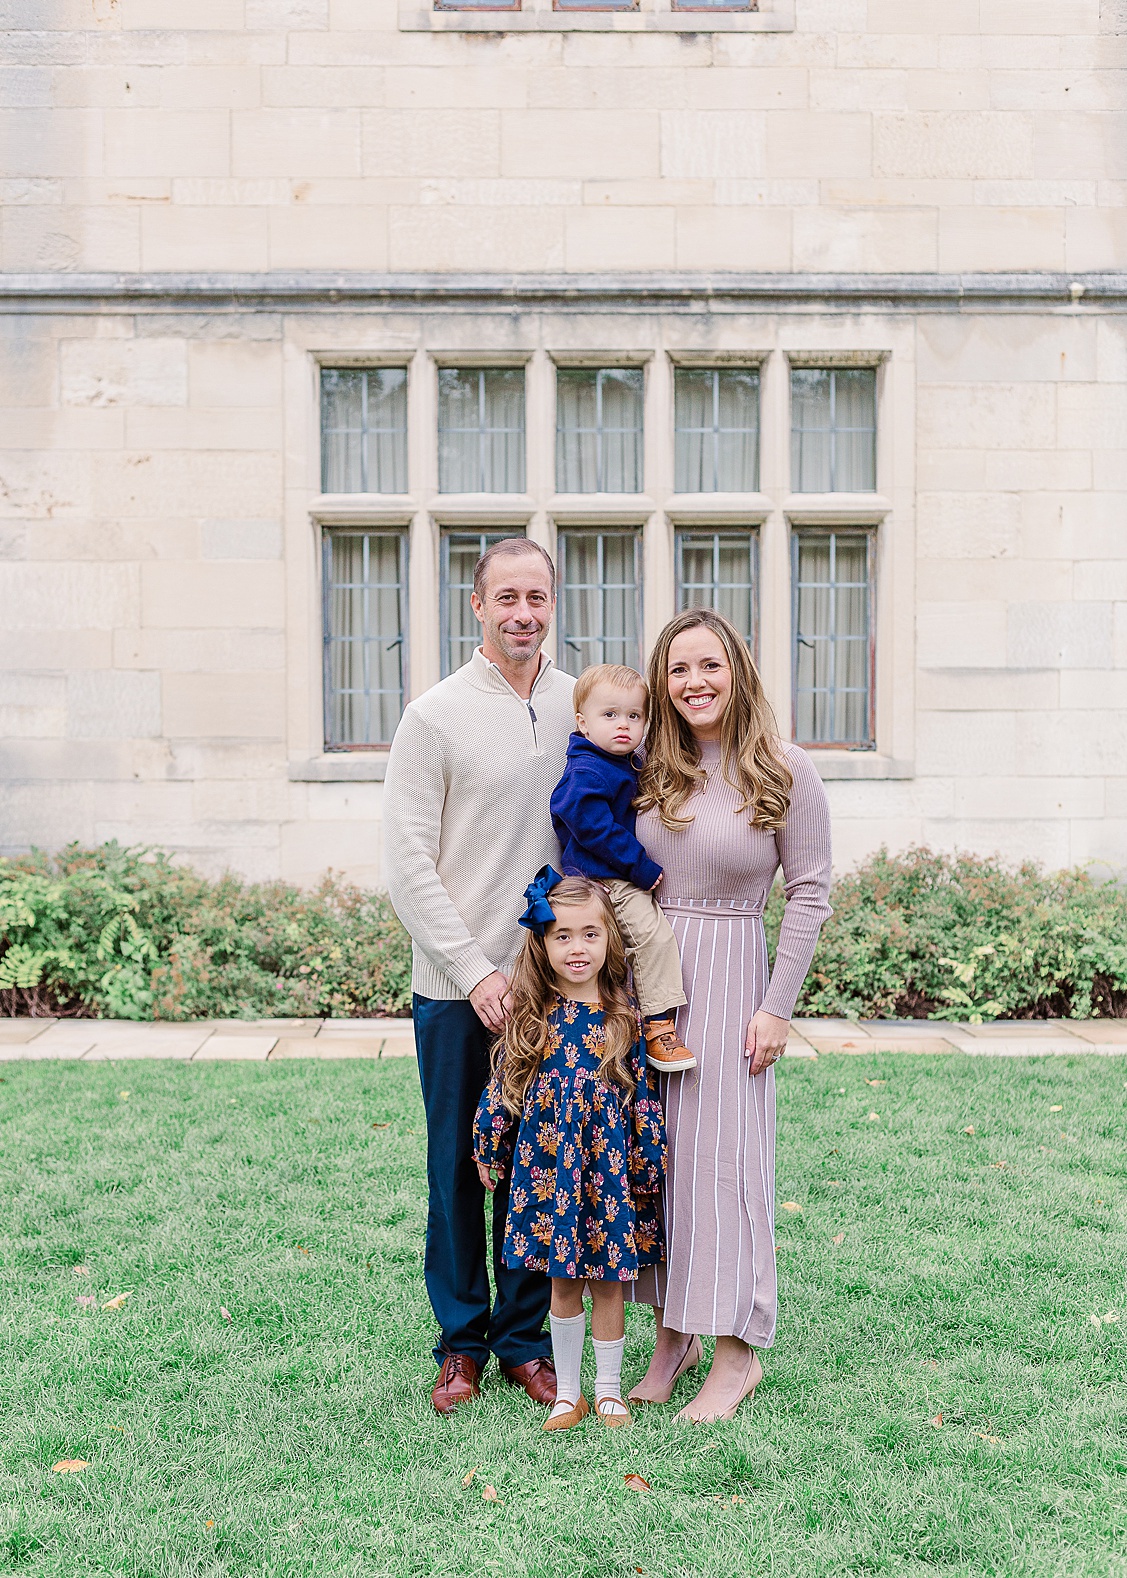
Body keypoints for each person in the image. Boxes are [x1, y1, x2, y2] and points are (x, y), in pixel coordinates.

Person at [382, 539, 576, 1416]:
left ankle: (523, 1342)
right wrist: (471, 971)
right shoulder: (433, 716)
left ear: (552, 603)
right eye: (506, 597)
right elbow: (407, 866)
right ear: (477, 606)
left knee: (537, 1167)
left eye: (536, 596)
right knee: (459, 1168)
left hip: (553, 987)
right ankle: (460, 1341)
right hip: (456, 988)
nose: (522, 612)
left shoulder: (583, 704)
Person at [626, 608, 832, 1423]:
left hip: (732, 980)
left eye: (708, 665)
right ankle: (670, 1333)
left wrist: (775, 1008)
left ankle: (736, 1353)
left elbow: (810, 890)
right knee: (656, 1164)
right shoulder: (647, 763)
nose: (693, 683)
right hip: (648, 986)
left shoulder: (783, 767)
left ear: (736, 670)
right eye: (677, 670)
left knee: (724, 1167)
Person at [473, 870, 666, 1431]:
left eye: (589, 934)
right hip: (551, 1170)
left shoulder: (624, 1016)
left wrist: (647, 1160)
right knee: (562, 1281)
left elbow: (642, 1096)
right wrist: (490, 1144)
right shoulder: (534, 1016)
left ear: (609, 940)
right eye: (562, 935)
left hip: (606, 1172)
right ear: (542, 943)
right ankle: (570, 1393)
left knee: (607, 1280)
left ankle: (608, 1391)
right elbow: (504, 1085)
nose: (576, 947)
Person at [549, 663, 695, 1073]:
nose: (623, 725)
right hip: (606, 879)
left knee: (617, 961)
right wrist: (640, 867)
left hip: (606, 877)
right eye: (609, 715)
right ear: (583, 722)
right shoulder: (587, 768)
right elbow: (591, 824)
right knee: (653, 939)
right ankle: (659, 1029)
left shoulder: (619, 762)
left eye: (634, 715)